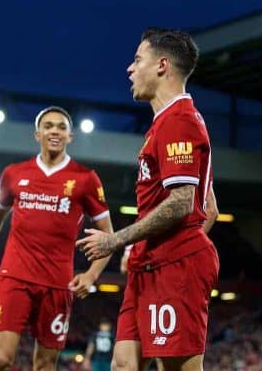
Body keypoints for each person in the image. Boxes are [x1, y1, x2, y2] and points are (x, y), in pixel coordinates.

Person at [77, 28, 219, 371]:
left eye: (137, 59)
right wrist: (139, 247)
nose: (129, 68)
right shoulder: (166, 123)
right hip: (149, 262)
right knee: (124, 364)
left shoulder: (179, 121)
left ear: (162, 65)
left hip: (174, 266)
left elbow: (183, 202)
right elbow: (210, 208)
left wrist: (117, 240)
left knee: (176, 368)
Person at [0, 106, 114, 371]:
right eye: (48, 126)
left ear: (70, 137)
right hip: (14, 277)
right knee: (2, 359)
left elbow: (108, 235)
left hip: (57, 284)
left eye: (61, 127)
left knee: (45, 364)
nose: (54, 131)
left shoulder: (86, 179)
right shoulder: (14, 173)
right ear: (37, 134)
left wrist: (91, 275)